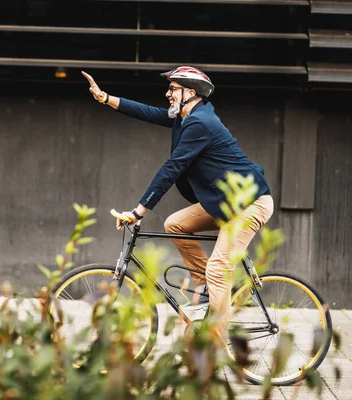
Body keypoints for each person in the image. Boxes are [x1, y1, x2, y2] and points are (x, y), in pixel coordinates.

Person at [81, 66, 274, 344]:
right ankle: (206, 291)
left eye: (173, 89)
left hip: (249, 204)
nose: (167, 93)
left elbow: (172, 168)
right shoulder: (185, 118)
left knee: (219, 269)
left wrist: (139, 211)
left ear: (190, 93)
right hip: (226, 202)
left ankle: (212, 348)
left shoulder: (200, 123)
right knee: (175, 224)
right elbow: (148, 112)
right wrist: (105, 97)